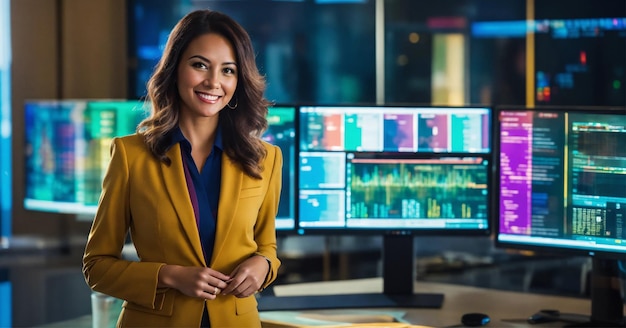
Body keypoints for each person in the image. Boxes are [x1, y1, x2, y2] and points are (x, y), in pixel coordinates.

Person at [82, 9, 283, 327]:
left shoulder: (266, 159)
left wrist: (263, 265)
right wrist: (170, 275)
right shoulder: (130, 155)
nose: (213, 82)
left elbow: (267, 248)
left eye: (228, 70)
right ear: (175, 69)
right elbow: (96, 266)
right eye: (200, 65)